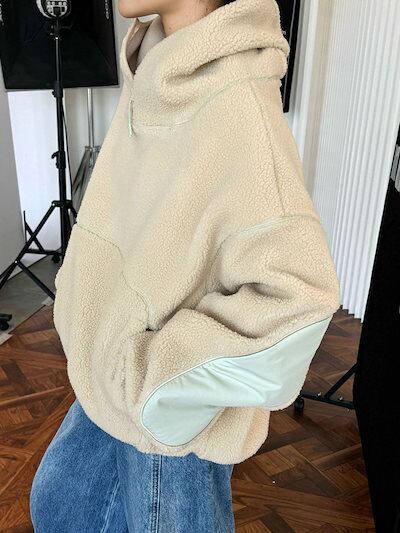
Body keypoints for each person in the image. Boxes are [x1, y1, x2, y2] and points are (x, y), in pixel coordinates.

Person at [29, 0, 341, 531]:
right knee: (59, 505)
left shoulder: (237, 104)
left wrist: (156, 380)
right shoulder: (159, 71)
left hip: (162, 418)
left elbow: (300, 297)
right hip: (108, 375)